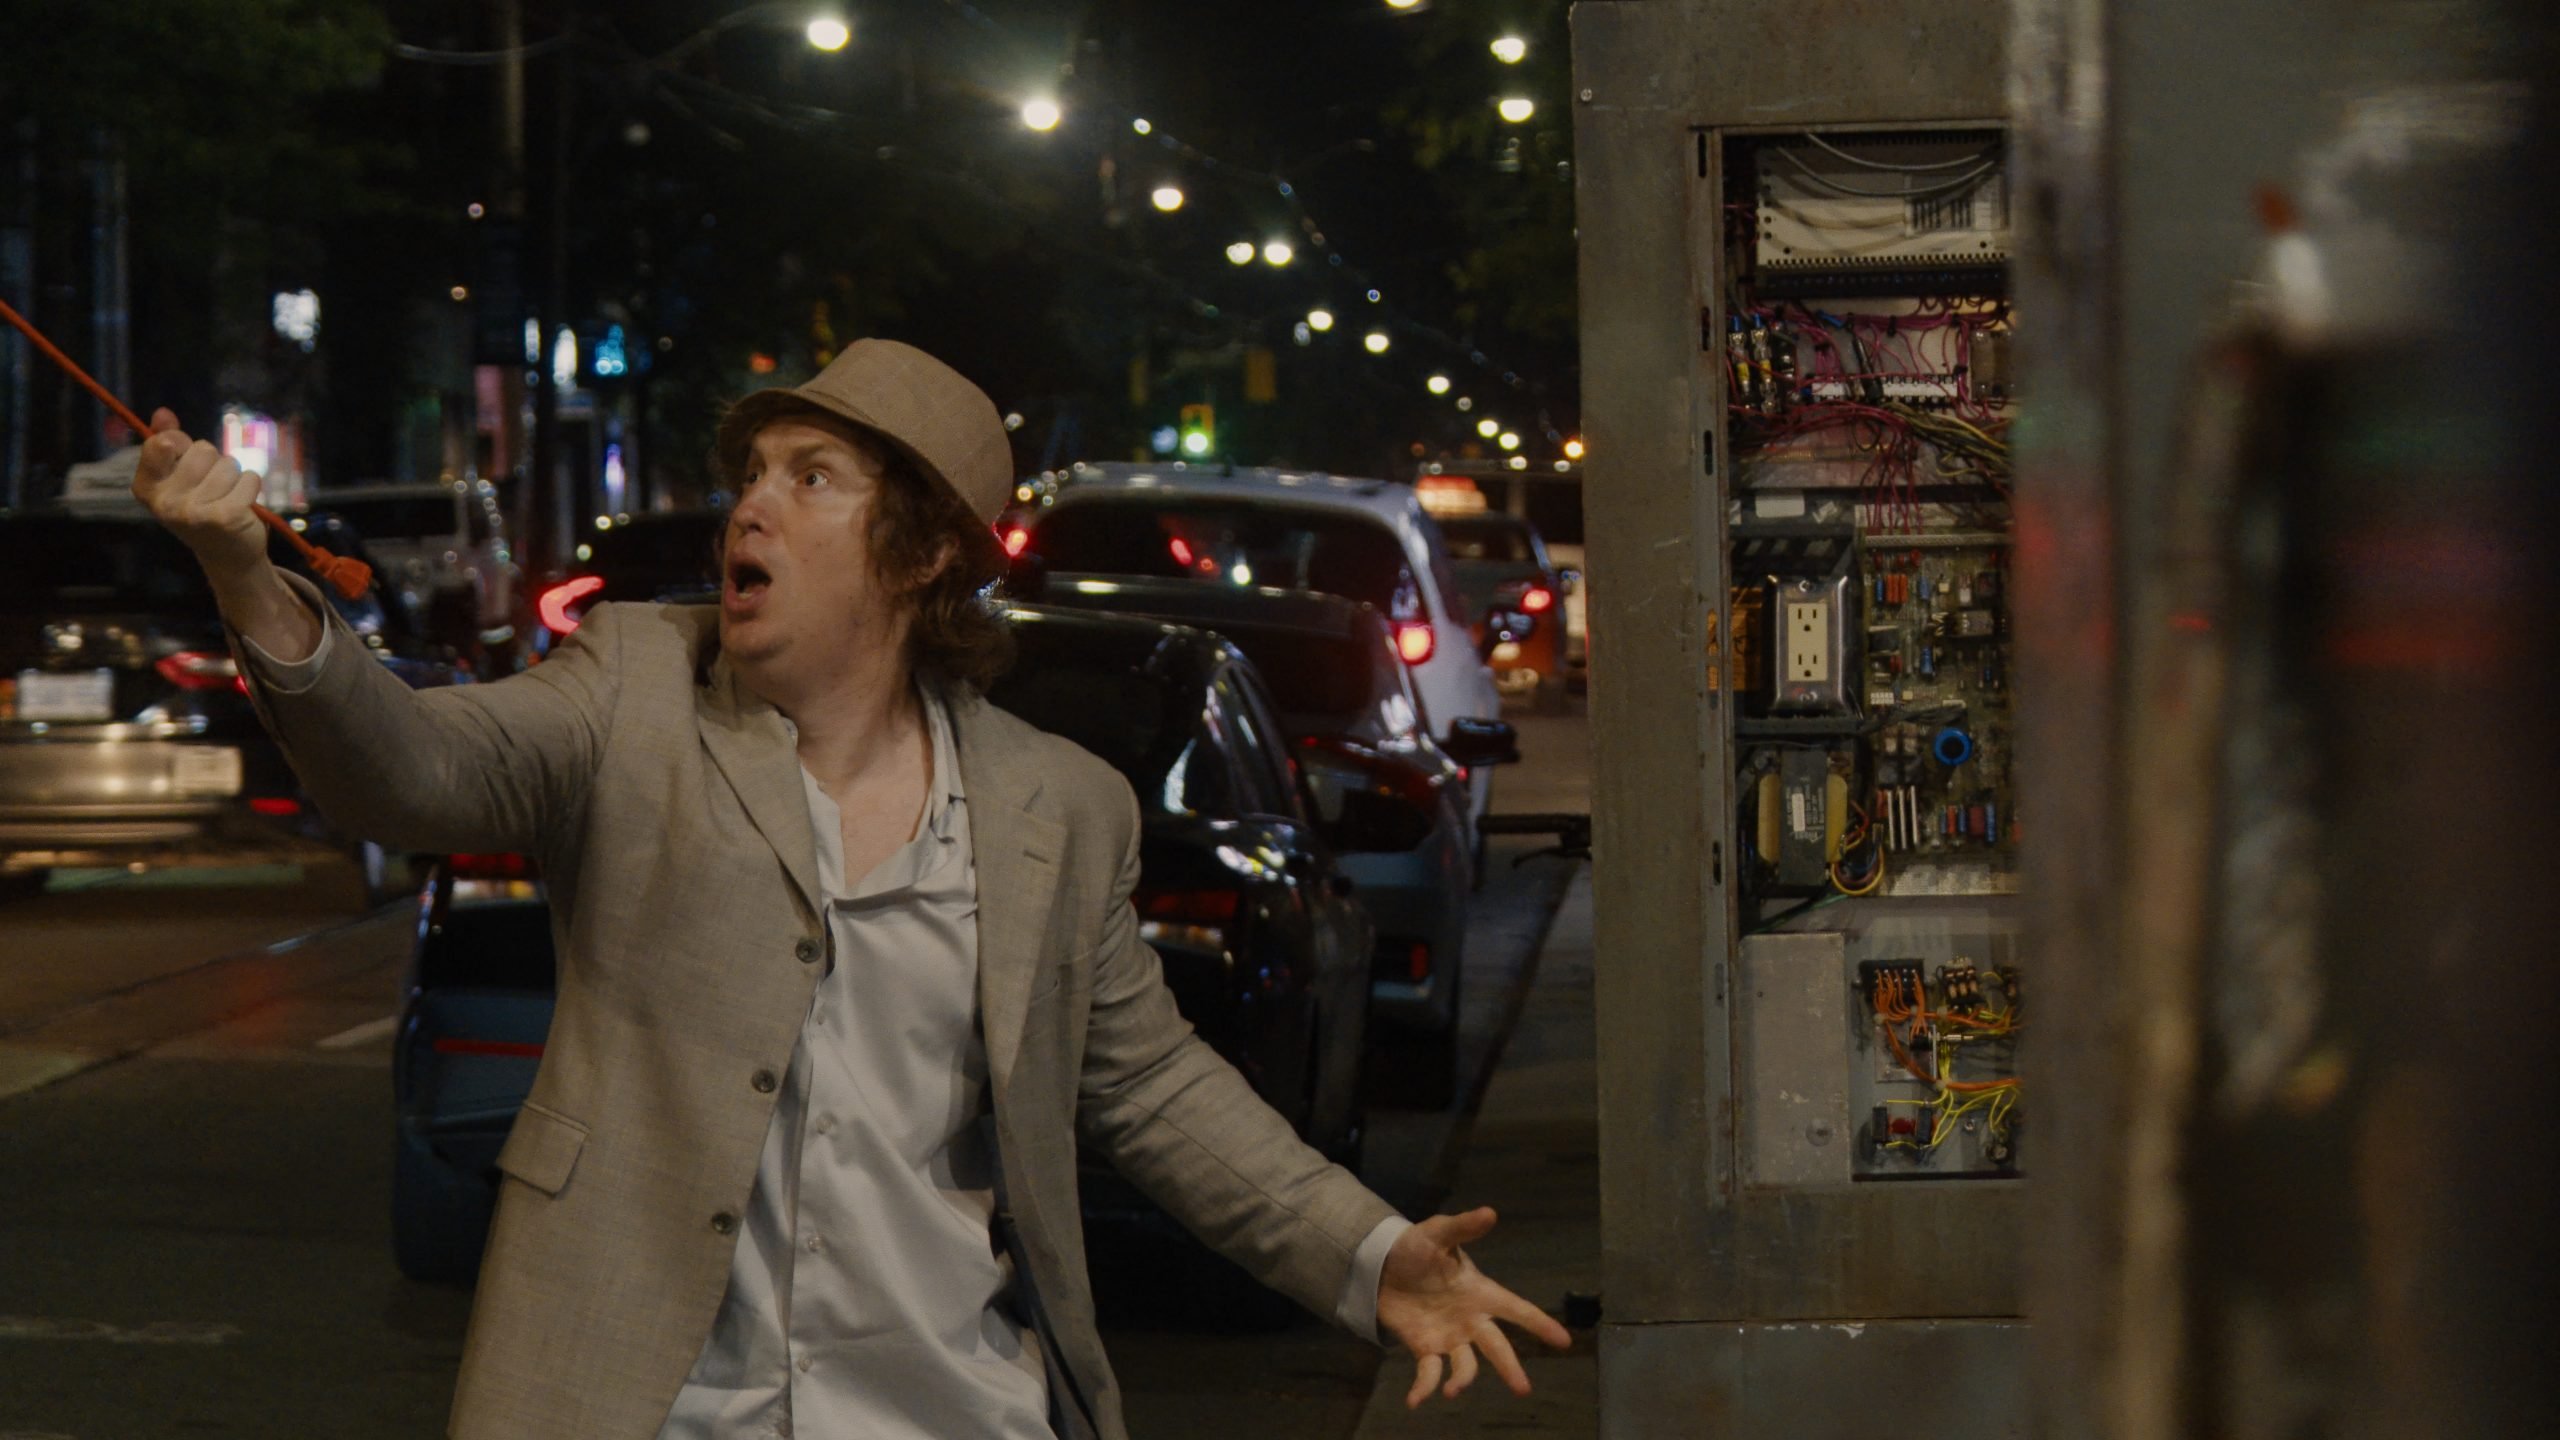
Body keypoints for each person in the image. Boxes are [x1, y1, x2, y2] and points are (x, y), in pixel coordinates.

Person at [131, 338, 1571, 1439]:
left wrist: (1370, 1255)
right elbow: (409, 773)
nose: (749, 509)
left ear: (927, 546)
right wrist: (250, 583)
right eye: (751, 475)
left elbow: (1151, 1089)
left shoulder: (1056, 808)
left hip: (948, 1410)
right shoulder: (633, 689)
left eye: (810, 477)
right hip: (647, 1408)